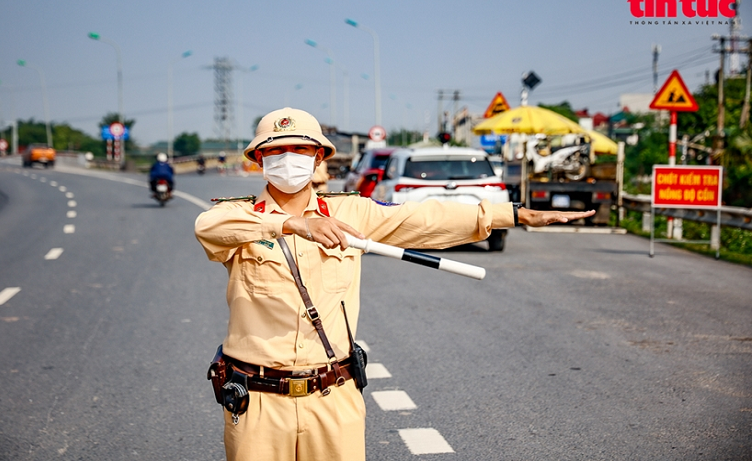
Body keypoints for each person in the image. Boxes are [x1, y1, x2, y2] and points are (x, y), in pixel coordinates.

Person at [194, 108, 594, 461]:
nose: (288, 159)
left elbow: (425, 218)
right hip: (258, 402)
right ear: (259, 159)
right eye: (276, 151)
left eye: (300, 150)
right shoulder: (239, 216)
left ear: (318, 157)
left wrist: (514, 214)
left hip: (333, 396)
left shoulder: (352, 210)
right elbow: (207, 227)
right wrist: (291, 223)